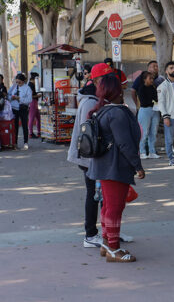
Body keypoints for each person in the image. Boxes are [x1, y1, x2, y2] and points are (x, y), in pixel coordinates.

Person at [86, 74, 145, 263]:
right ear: (117, 91)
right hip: (115, 167)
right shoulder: (117, 113)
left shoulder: (102, 110)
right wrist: (138, 166)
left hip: (104, 165)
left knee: (108, 207)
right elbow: (125, 144)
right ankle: (113, 248)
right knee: (114, 207)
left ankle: (106, 243)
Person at [67, 63, 114, 249]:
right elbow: (89, 134)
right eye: (105, 79)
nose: (108, 82)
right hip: (89, 157)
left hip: (96, 157)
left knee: (105, 196)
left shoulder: (100, 98)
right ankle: (90, 234)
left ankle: (109, 230)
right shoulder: (89, 101)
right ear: (94, 80)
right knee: (94, 195)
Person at [136, 71, 160, 159]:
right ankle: (142, 151)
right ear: (144, 79)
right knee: (144, 132)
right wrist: (153, 101)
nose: (152, 80)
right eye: (150, 78)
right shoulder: (141, 88)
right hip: (145, 111)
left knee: (153, 132)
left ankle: (152, 151)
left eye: (152, 78)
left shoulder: (153, 88)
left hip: (155, 110)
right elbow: (144, 102)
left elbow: (157, 98)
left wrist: (155, 102)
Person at [8, 73, 32, 150]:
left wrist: (20, 99)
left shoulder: (27, 88)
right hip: (14, 108)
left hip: (23, 108)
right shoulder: (14, 87)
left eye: (19, 82)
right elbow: (8, 95)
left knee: (25, 126)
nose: (18, 83)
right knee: (15, 126)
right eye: (17, 82)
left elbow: (29, 100)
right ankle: (15, 143)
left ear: (23, 81)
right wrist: (12, 98)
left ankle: (25, 142)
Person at [28, 72, 41, 138]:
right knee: (31, 118)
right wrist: (38, 95)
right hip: (32, 102)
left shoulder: (32, 84)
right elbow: (31, 96)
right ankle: (30, 133)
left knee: (38, 117)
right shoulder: (30, 85)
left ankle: (39, 132)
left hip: (35, 102)